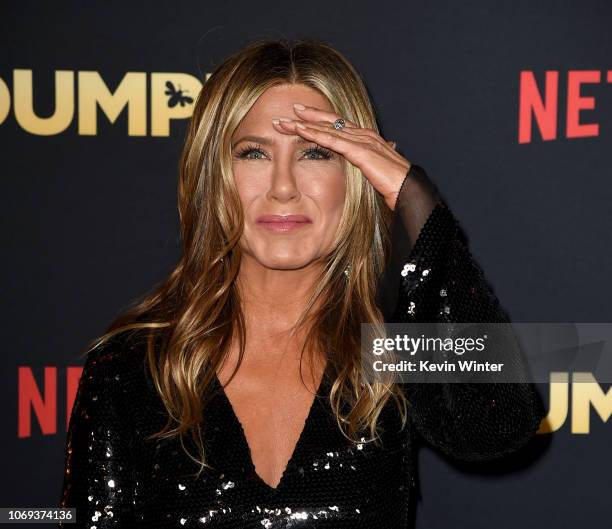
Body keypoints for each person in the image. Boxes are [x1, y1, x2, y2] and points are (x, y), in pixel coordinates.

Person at [58, 38, 545, 528]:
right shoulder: (133, 368)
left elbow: (497, 427)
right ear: (212, 175)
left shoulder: (387, 351)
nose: (284, 186)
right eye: (253, 153)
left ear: (357, 172)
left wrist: (415, 199)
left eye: (315, 154)